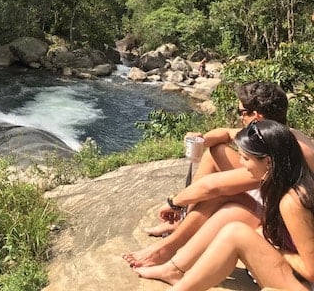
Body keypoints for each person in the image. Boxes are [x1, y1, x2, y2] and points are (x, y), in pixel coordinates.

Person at [123, 81, 314, 267]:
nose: (240, 118)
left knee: (221, 195)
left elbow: (213, 186)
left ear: (256, 116)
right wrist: (201, 140)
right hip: (277, 204)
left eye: (241, 113)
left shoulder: (282, 152)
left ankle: (168, 247)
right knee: (215, 153)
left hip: (289, 222)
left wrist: (175, 202)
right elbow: (224, 133)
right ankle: (183, 223)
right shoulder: (279, 134)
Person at [134, 119, 314, 291]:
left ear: (268, 162)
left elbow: (311, 271)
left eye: (246, 158)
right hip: (296, 274)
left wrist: (275, 246)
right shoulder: (284, 178)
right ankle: (175, 272)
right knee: (235, 225)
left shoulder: (293, 202)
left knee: (235, 234)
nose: (241, 164)